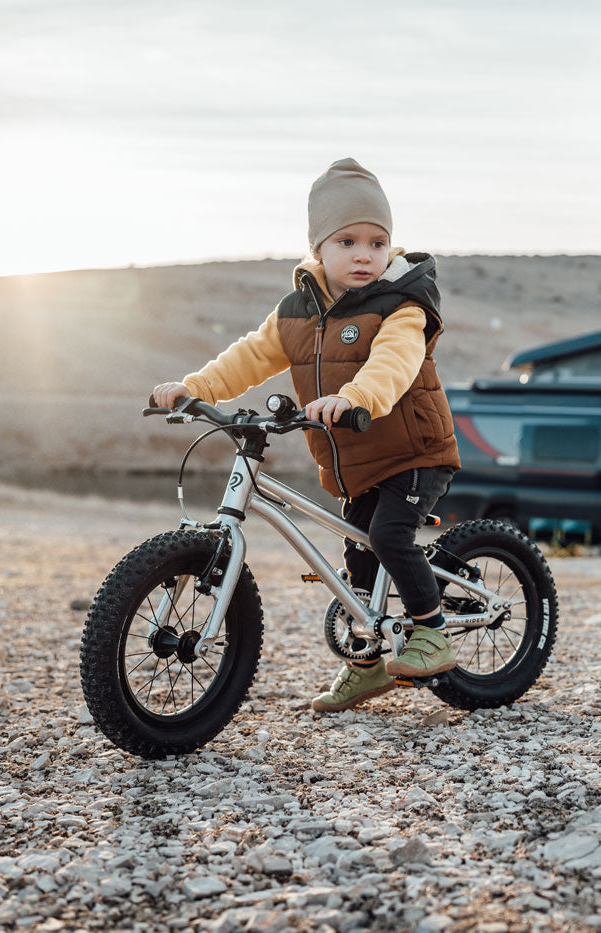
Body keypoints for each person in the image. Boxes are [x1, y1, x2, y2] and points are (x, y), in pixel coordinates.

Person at [151, 157, 461, 713]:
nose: (364, 254)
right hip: (356, 461)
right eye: (347, 241)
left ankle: (432, 631)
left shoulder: (404, 302)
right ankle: (366, 666)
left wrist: (354, 398)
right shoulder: (296, 310)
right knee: (359, 558)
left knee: (389, 538)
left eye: (376, 241)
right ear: (318, 248)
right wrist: (194, 388)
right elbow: (250, 356)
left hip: (414, 450)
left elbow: (395, 362)